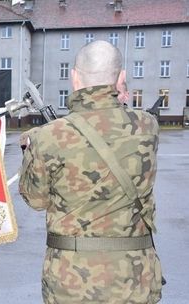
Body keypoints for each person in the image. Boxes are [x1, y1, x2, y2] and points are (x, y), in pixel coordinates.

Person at [19, 40, 163, 303]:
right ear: (121, 78)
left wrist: (30, 151)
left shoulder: (49, 136)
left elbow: (35, 200)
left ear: (74, 78)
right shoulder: (148, 125)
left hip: (71, 280)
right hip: (136, 276)